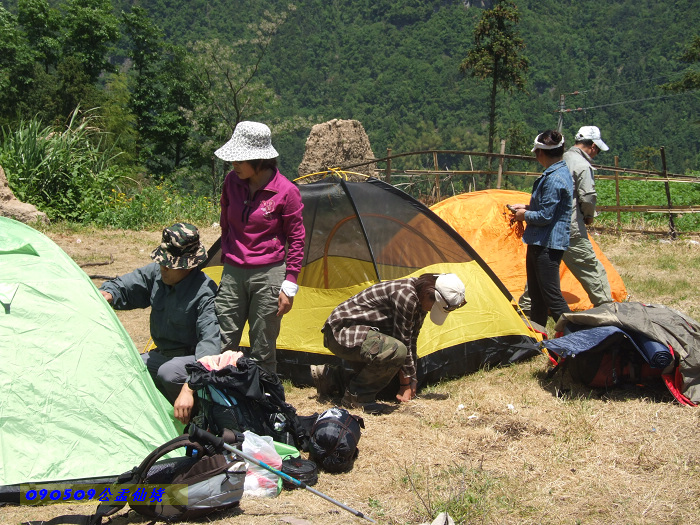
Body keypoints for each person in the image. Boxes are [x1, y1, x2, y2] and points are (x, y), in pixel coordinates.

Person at [99, 223, 220, 424]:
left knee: (169, 373)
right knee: (126, 365)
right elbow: (126, 286)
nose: (163, 267)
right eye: (162, 261)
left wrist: (189, 388)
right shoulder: (158, 273)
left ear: (188, 265)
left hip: (189, 362)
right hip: (162, 355)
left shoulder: (205, 292)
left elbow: (209, 347)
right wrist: (109, 294)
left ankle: (198, 419)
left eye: (169, 264)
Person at [213, 121, 305, 375]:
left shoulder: (287, 192)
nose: (234, 165)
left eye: (240, 160)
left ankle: (266, 403)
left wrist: (289, 284)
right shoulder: (231, 182)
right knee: (222, 338)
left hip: (269, 275)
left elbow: (296, 239)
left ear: (259, 160)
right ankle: (221, 400)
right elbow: (225, 222)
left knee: (263, 346)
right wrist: (228, 252)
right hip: (233, 271)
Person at [311, 273, 466, 412]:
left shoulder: (419, 297)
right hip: (341, 334)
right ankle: (357, 398)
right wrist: (407, 385)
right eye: (434, 307)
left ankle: (331, 378)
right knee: (396, 350)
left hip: (364, 338)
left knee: (388, 388)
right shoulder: (406, 296)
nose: (432, 311)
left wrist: (412, 381)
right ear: (428, 294)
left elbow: (412, 339)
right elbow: (403, 341)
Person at [518, 125, 613, 312]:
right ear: (593, 146)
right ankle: (606, 305)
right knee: (588, 266)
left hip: (546, 229)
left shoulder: (560, 160)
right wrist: (588, 217)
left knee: (541, 270)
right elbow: (587, 197)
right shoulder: (583, 165)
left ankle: (528, 306)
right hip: (570, 227)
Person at [510, 130, 573, 329]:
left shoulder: (553, 179)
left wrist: (523, 215)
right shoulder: (560, 172)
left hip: (547, 244)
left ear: (540, 153)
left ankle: (576, 336)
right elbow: (549, 209)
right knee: (537, 296)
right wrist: (527, 207)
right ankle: (538, 335)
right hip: (540, 242)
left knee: (552, 297)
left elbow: (545, 217)